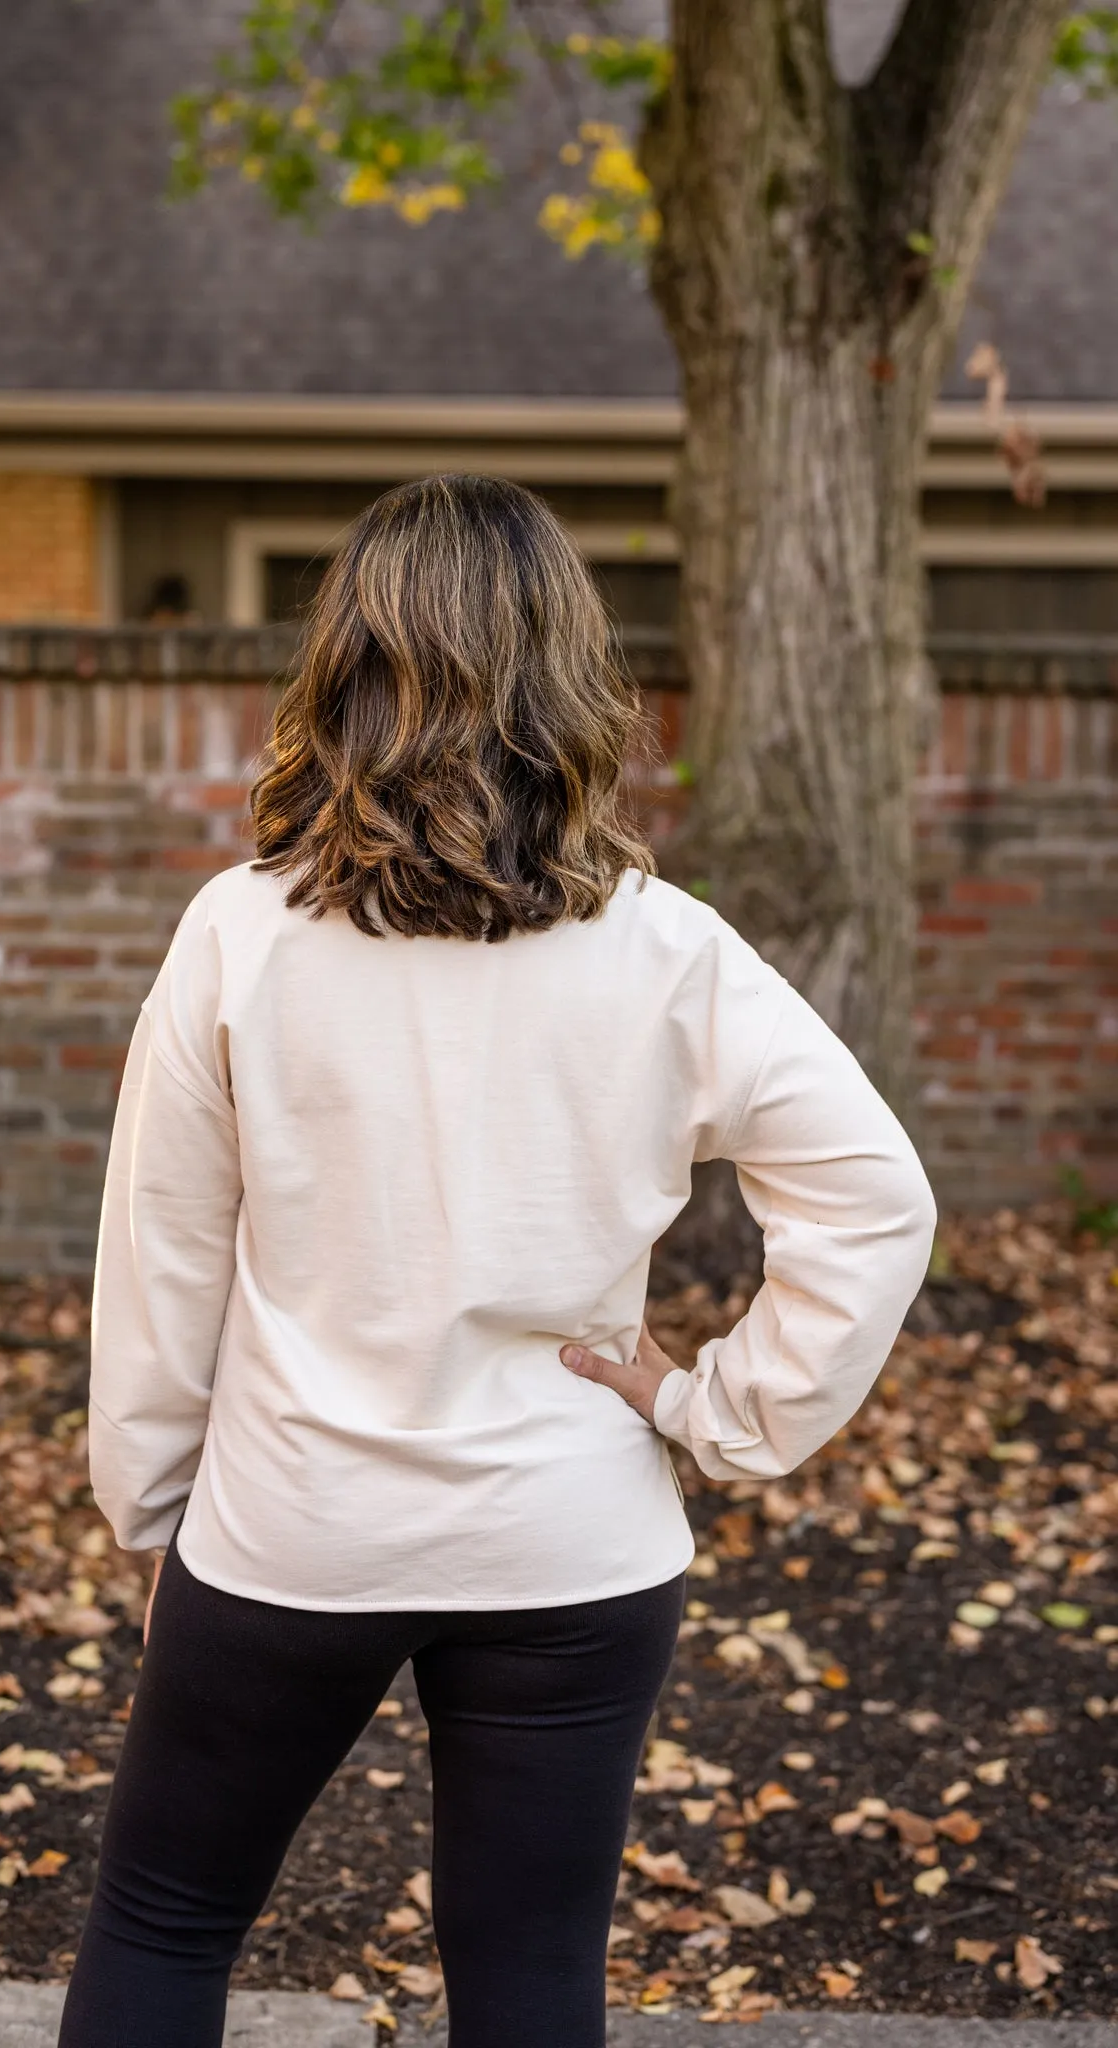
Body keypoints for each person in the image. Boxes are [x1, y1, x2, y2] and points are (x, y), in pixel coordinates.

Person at [58, 475, 936, 2048]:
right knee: (531, 1975)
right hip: (574, 1548)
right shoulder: (670, 952)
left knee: (167, 1922)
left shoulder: (242, 935)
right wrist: (718, 1412)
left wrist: (154, 1513)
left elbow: (163, 1252)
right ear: (572, 682)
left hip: (291, 1535)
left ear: (345, 673)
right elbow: (873, 1199)